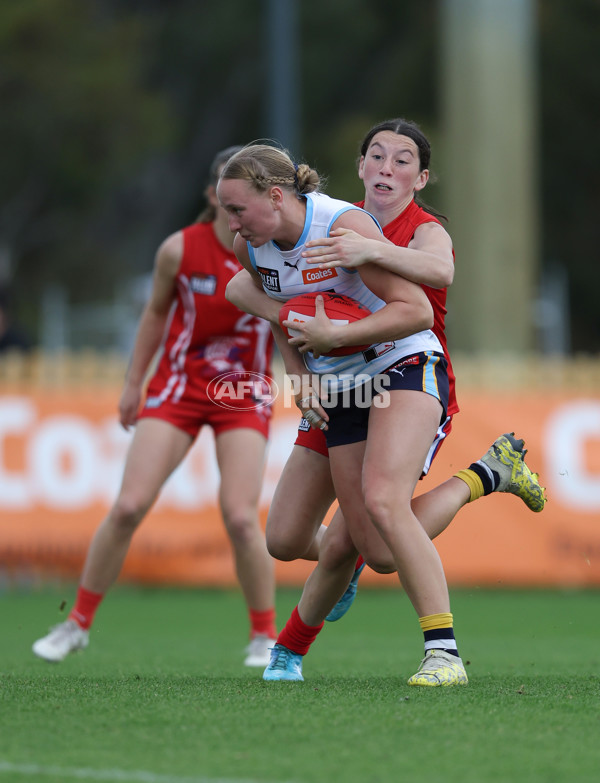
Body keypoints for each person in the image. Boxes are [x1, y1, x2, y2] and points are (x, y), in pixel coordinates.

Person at [219, 130, 544, 687]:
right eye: (376, 156)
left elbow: (418, 309)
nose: (231, 223)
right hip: (341, 387)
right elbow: (283, 316)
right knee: (318, 542)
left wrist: (341, 310)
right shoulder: (251, 245)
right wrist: (302, 379)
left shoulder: (353, 227)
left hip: (403, 365)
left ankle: (442, 654)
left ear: (275, 196)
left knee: (383, 506)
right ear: (361, 165)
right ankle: (488, 473)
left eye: (237, 209)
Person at [32, 146, 278, 668]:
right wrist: (132, 385)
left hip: (243, 392)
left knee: (239, 516)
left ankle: (264, 636)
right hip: (180, 389)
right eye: (223, 189)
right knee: (127, 507)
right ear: (213, 193)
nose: (232, 205)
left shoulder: (272, 249)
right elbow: (154, 318)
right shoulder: (178, 250)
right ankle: (75, 623)